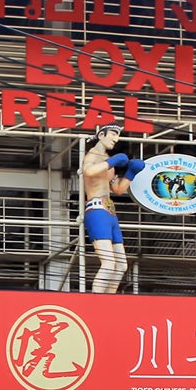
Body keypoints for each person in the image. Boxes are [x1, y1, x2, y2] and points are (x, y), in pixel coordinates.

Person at [80, 123, 143, 293]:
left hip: (110, 212)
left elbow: (118, 189)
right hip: (96, 210)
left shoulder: (108, 162)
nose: (116, 139)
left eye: (117, 136)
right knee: (108, 263)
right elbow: (88, 171)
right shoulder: (91, 156)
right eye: (113, 134)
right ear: (101, 135)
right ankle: (96, 301)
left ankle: (109, 300)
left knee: (121, 265)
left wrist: (131, 173)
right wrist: (111, 161)